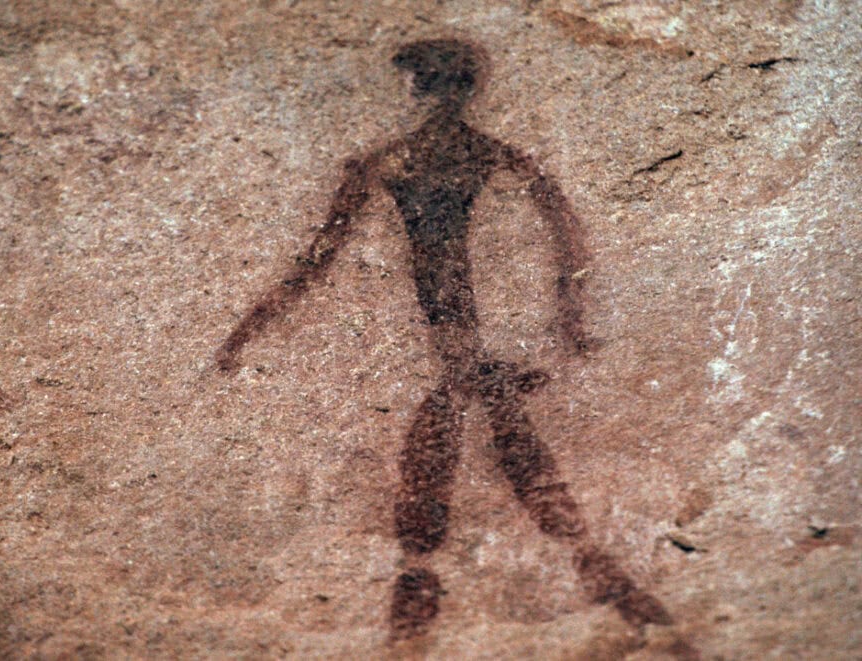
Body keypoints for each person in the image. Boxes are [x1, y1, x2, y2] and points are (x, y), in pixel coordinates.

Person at [216, 38, 674, 642]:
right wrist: (570, 321)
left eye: (411, 83)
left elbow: (316, 261)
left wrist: (248, 332)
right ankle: (607, 589)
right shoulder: (494, 155)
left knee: (453, 478)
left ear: (421, 87)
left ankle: (427, 618)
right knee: (498, 456)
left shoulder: (389, 160)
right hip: (462, 346)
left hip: (456, 347)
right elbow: (565, 236)